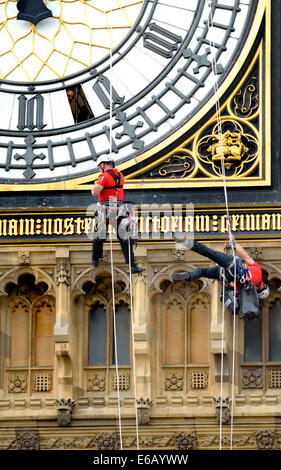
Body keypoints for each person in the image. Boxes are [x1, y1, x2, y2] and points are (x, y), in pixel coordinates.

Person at [91, 155, 143, 274]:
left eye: (100, 167)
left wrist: (97, 183)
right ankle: (132, 265)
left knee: (99, 234)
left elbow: (95, 192)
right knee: (124, 238)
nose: (99, 169)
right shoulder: (120, 176)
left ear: (103, 165)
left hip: (105, 209)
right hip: (119, 209)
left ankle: (95, 258)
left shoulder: (104, 176)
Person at [172, 236, 270, 300]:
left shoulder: (258, 273)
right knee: (202, 271)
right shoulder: (248, 289)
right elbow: (233, 286)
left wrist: (234, 242)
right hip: (226, 276)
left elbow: (245, 256)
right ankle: (188, 275)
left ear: (264, 285)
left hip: (232, 265)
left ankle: (186, 242)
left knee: (210, 253)